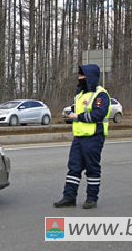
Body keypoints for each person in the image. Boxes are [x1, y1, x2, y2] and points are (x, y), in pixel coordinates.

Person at [54, 64, 111, 209]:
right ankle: (69, 197)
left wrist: (78, 116)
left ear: (89, 77)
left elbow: (99, 114)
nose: (79, 78)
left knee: (92, 168)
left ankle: (92, 198)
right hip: (79, 137)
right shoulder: (80, 94)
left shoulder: (101, 95)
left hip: (94, 137)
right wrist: (72, 113)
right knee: (74, 167)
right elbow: (76, 109)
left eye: (82, 75)